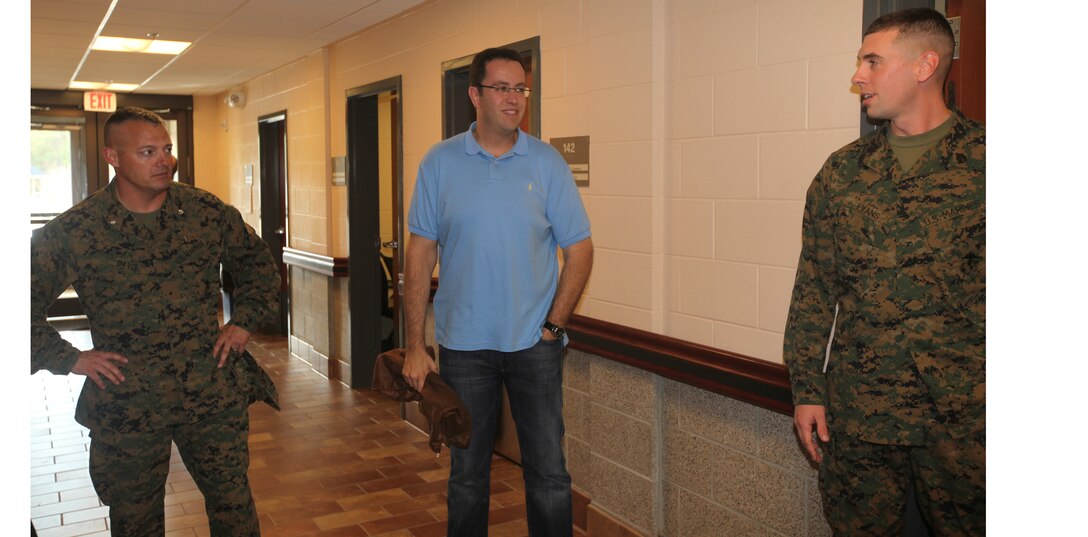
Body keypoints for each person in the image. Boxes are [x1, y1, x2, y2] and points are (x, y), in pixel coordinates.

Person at [31, 106, 281, 535]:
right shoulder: (78, 230)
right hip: (129, 403)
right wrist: (70, 358)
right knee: (135, 521)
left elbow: (259, 265)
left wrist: (242, 322)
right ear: (114, 157)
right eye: (148, 152)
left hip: (210, 390)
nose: (164, 160)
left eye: (166, 149)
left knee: (233, 507)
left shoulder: (205, 212)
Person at [783, 8, 985, 536]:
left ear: (925, 65)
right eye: (859, 62)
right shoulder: (842, 173)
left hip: (965, 419)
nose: (857, 77)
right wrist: (807, 388)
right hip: (861, 413)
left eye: (873, 61)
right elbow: (813, 291)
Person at [401, 47, 593, 537]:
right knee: (468, 475)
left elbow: (581, 250)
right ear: (474, 95)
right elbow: (420, 255)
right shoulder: (440, 162)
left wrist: (554, 326)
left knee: (549, 474)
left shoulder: (547, 164)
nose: (514, 99)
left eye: (521, 88)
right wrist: (417, 346)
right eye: (501, 88)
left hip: (535, 346)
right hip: (464, 346)